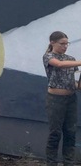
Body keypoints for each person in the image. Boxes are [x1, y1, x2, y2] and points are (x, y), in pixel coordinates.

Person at [43, 31, 81, 166]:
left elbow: (75, 82)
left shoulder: (71, 59)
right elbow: (59, 64)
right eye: (62, 44)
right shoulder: (49, 56)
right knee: (55, 133)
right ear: (52, 43)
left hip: (71, 99)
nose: (65, 46)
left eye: (67, 44)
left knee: (70, 132)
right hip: (55, 100)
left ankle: (68, 162)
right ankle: (51, 163)